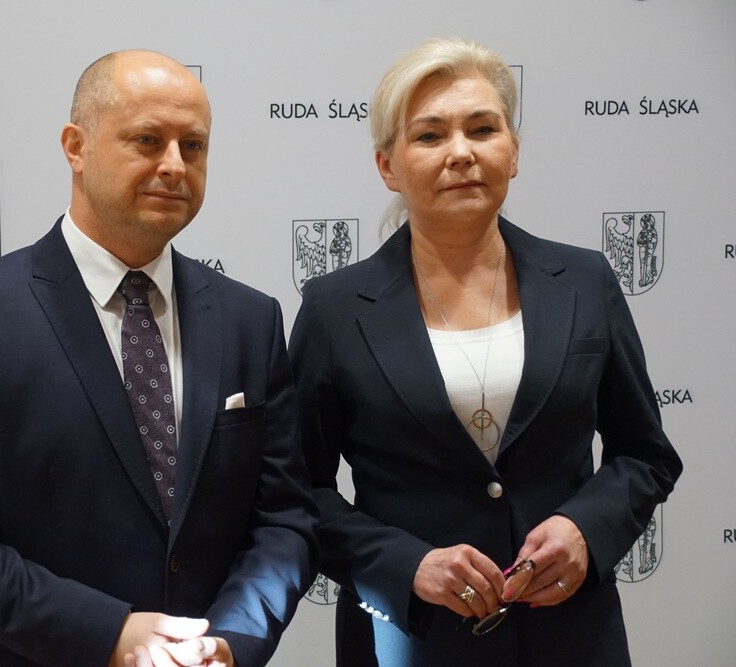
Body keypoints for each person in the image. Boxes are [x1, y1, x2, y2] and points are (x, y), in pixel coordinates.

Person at [0, 50, 317, 667]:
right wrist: (109, 634)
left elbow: (284, 519)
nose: (175, 165)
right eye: (148, 140)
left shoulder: (250, 319)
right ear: (76, 146)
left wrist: (228, 639)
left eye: (193, 146)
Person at [288, 37, 681, 666]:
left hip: (571, 637)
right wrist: (406, 564)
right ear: (387, 166)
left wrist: (586, 528)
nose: (461, 153)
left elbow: (646, 455)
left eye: (482, 129)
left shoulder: (586, 282)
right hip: (410, 640)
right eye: (430, 135)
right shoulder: (334, 309)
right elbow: (296, 489)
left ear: (513, 151)